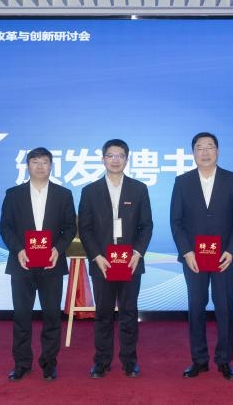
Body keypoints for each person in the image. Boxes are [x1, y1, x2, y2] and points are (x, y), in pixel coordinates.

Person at [170, 132, 233, 381]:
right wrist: (186, 252)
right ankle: (199, 360)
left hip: (224, 258)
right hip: (194, 258)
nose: (205, 152)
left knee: (225, 307)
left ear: (218, 151)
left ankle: (224, 360)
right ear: (193, 153)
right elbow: (176, 222)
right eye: (200, 148)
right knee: (196, 308)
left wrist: (231, 251)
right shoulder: (182, 182)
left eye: (210, 147)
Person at [0, 147, 77, 382]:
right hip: (22, 264)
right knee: (22, 316)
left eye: (44, 162)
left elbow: (70, 228)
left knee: (52, 316)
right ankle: (22, 363)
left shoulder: (63, 195)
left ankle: (49, 363)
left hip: (51, 264)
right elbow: (6, 227)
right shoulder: (13, 194)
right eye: (35, 162)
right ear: (27, 166)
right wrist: (19, 250)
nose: (40, 166)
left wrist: (57, 249)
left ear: (51, 166)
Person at [78, 139, 153, 379]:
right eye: (110, 155)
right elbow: (85, 228)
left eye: (120, 155)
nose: (115, 160)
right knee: (103, 313)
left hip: (130, 262)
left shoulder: (139, 189)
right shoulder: (90, 191)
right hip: (103, 262)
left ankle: (130, 361)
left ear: (127, 159)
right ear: (103, 159)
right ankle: (101, 361)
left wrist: (137, 253)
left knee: (129, 312)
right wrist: (96, 256)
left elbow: (146, 226)